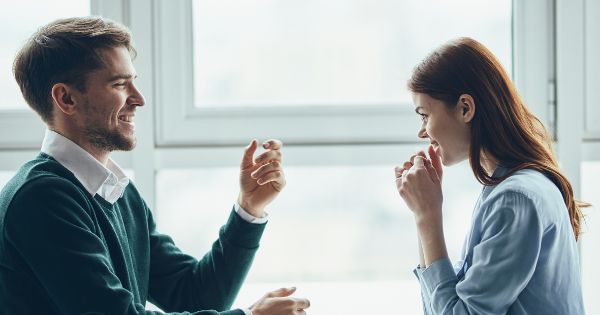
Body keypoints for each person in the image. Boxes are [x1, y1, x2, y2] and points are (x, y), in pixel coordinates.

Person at [0, 16, 310, 315]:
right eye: (120, 84)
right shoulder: (40, 198)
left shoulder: (116, 192)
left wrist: (248, 209)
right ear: (66, 98)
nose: (139, 99)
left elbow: (195, 295)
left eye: (133, 82)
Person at [394, 37, 586, 314]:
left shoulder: (515, 199)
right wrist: (421, 211)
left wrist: (428, 217)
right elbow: (441, 307)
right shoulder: (507, 187)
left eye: (425, 115)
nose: (422, 132)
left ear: (465, 108)